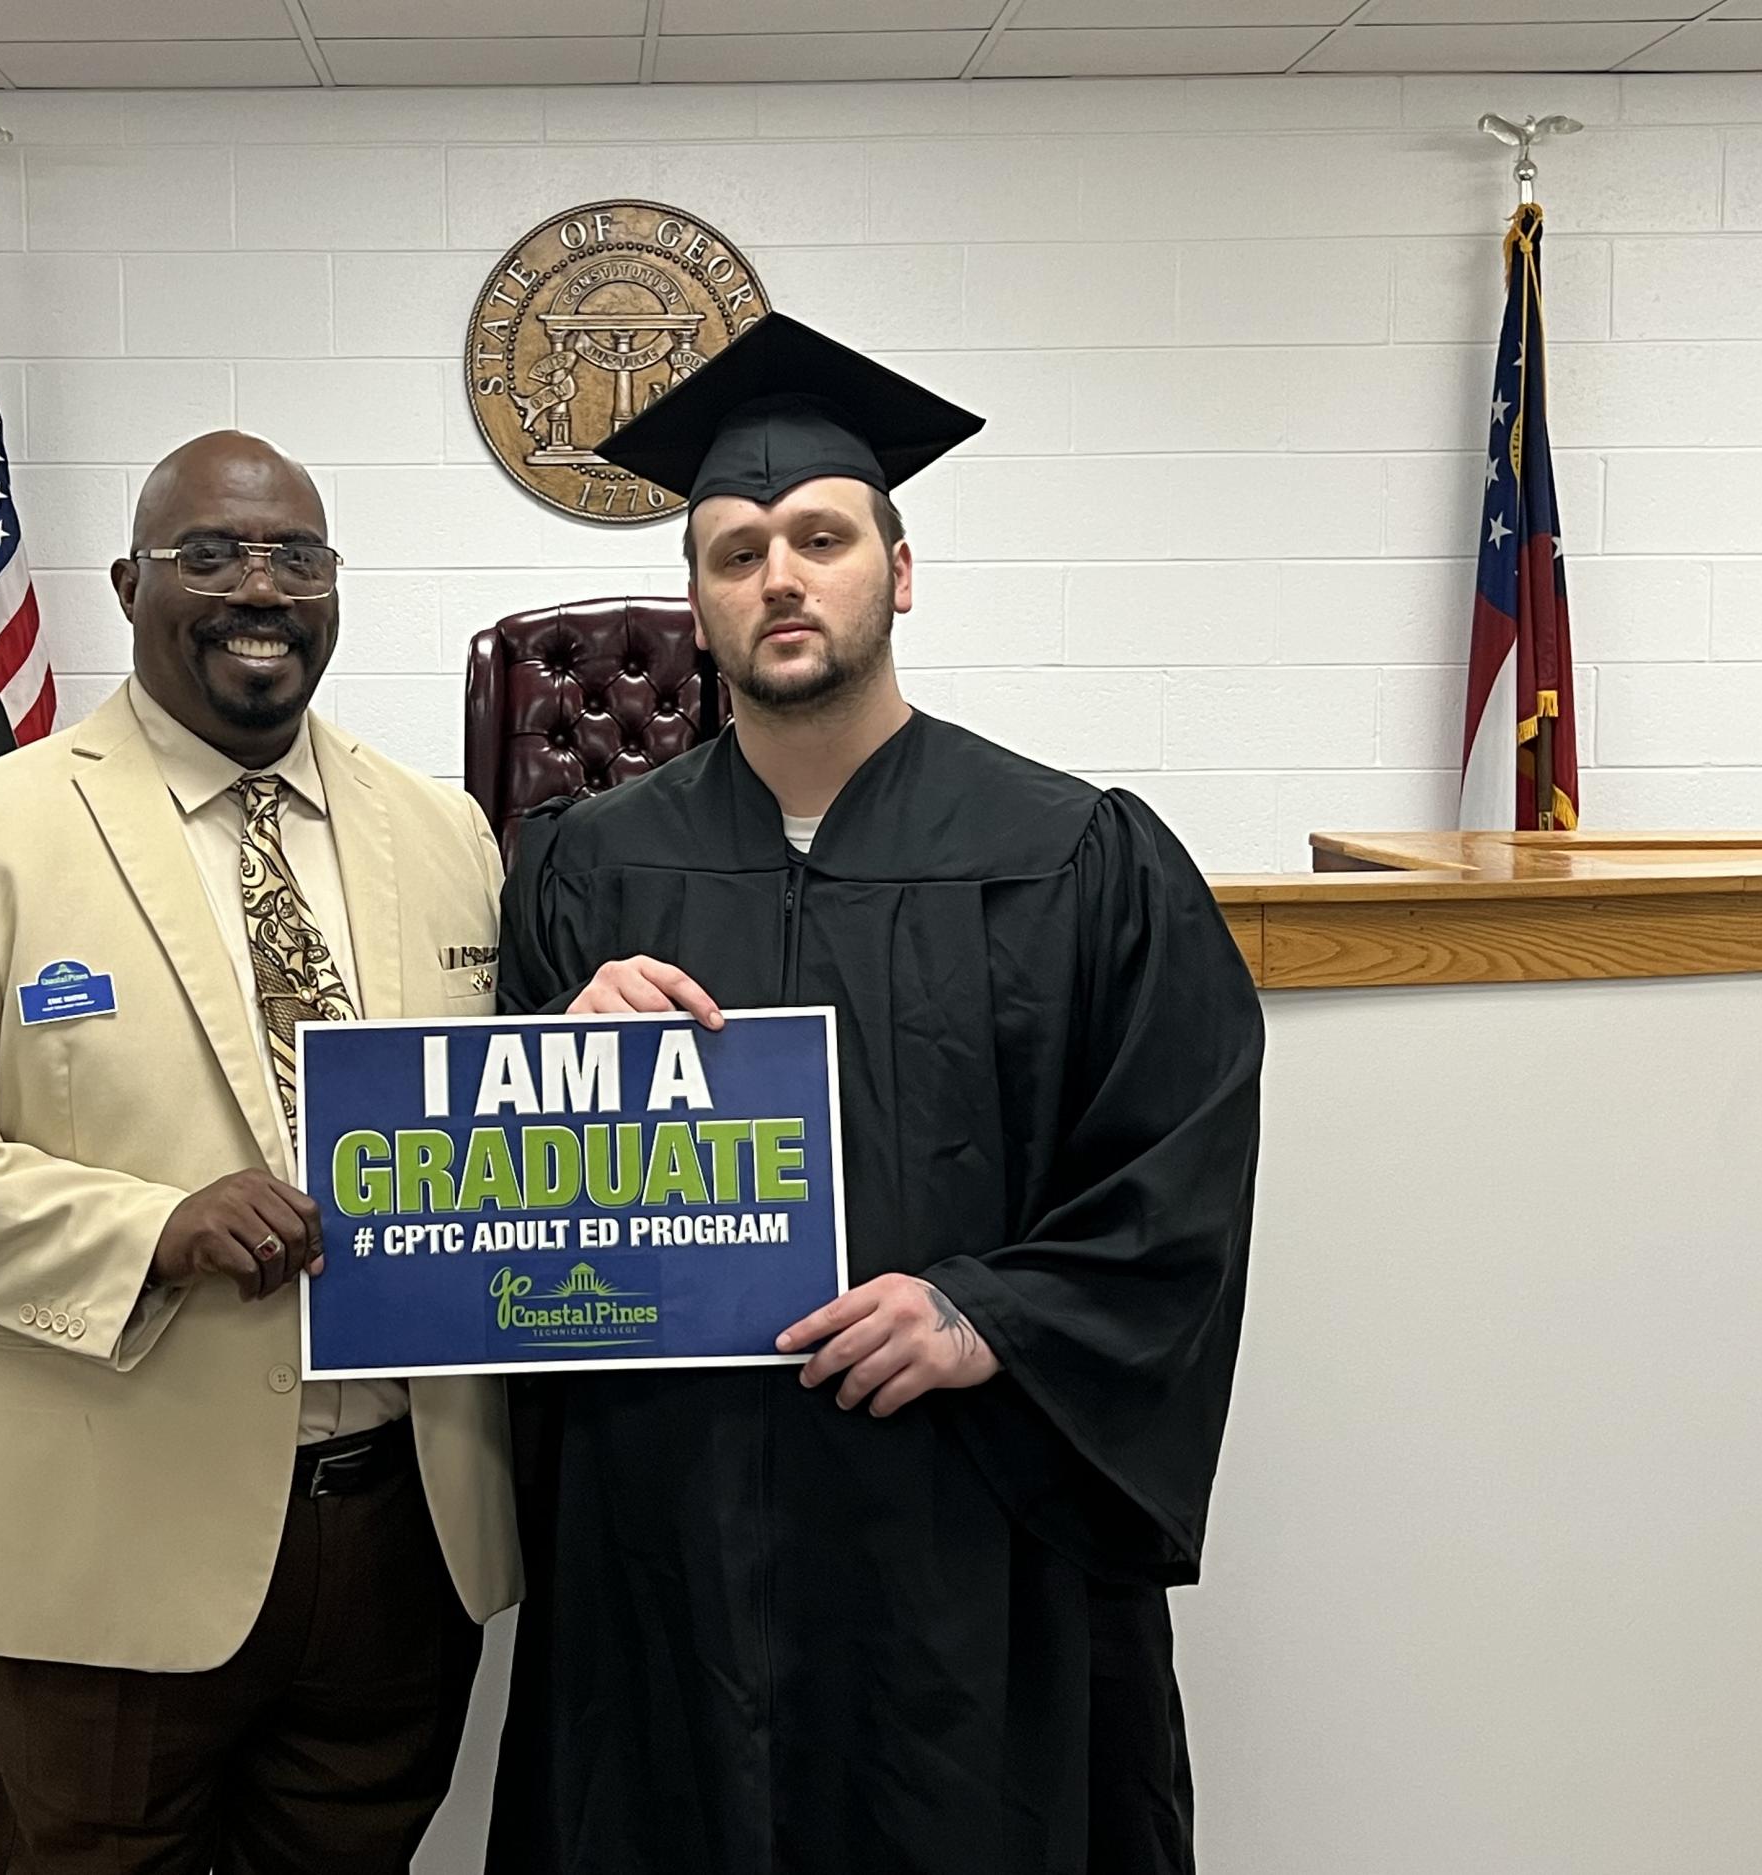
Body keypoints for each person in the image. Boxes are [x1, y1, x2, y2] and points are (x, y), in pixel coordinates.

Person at [484, 315, 1265, 1875]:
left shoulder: (1080, 853)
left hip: (962, 1525)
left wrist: (997, 1314)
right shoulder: (586, 868)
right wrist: (551, 1065)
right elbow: (496, 1239)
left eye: (820, 538)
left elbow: (1178, 1173)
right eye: (735, 550)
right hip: (675, 1521)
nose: (780, 575)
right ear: (695, 609)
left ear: (896, 575)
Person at [0, 431, 519, 1875]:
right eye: (212, 554)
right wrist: (150, 1229)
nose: (260, 586)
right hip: (103, 1540)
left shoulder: (448, 833)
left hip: (398, 1540)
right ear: (131, 583)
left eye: (295, 557)